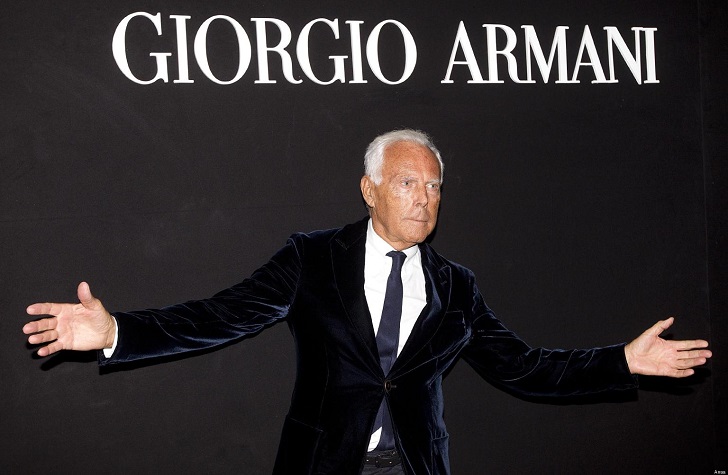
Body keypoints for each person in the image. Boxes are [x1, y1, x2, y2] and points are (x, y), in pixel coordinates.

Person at [23, 130, 711, 475]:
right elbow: (220, 315)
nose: (425, 198)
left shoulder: (457, 286)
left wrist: (621, 361)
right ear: (369, 188)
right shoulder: (312, 258)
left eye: (434, 186)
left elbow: (526, 367)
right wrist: (117, 332)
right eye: (409, 183)